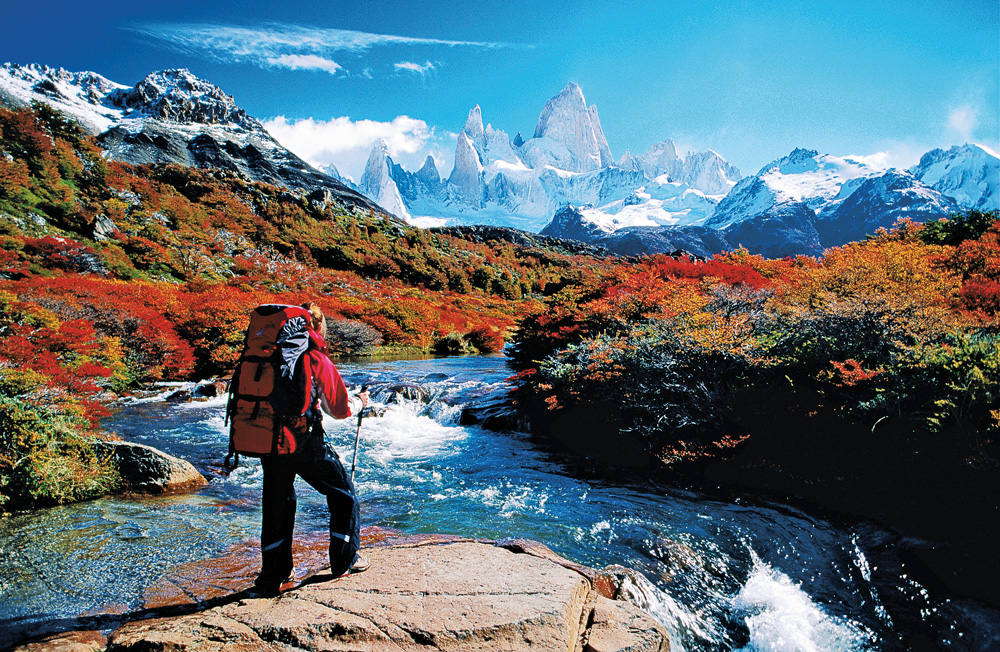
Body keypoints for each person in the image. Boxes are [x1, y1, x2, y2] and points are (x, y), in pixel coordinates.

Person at [253, 302, 370, 596]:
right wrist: (361, 403)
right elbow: (340, 409)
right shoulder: (313, 355)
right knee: (343, 493)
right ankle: (345, 559)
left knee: (277, 502)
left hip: (268, 438)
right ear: (317, 327)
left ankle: (275, 574)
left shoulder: (266, 354)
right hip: (304, 439)